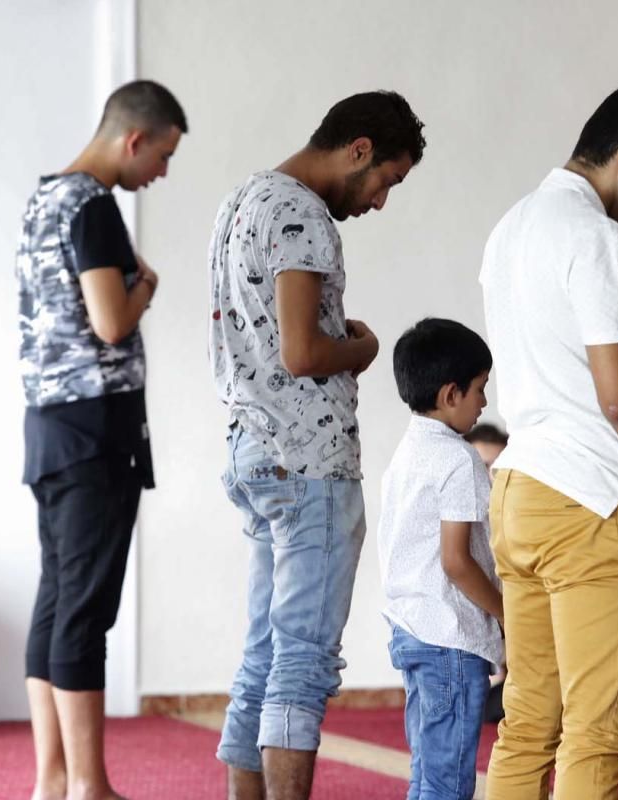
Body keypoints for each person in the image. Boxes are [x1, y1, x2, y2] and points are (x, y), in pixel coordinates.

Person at [479, 85, 618, 799]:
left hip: (517, 492)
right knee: (597, 732)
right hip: (589, 506)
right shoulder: (598, 238)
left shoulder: (509, 226)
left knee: (527, 725)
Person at [208, 90, 425, 800]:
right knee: (302, 659)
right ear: (358, 149)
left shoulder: (242, 200)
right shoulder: (302, 212)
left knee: (264, 651)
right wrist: (361, 347)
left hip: (253, 448)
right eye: (386, 180)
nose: (380, 201)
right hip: (308, 462)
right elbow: (303, 353)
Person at [16, 79, 186, 800]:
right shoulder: (93, 205)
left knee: (57, 600)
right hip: (96, 432)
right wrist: (147, 283)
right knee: (85, 610)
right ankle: (91, 785)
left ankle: (53, 780)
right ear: (134, 138)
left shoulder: (43, 198)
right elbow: (111, 321)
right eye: (164, 155)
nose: (162, 173)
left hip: (52, 430)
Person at [378, 318, 504, 800]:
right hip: (450, 639)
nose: (485, 403)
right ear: (451, 394)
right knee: (448, 783)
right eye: (480, 389)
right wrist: (505, 612)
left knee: (428, 772)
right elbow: (456, 561)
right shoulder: (458, 459)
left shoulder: (407, 452)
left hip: (411, 630)